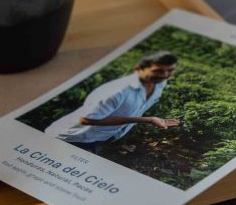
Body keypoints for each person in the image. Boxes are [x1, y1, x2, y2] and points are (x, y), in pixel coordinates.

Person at [44, 51, 181, 154]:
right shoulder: (117, 91)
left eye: (170, 71)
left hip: (99, 137)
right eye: (158, 71)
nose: (165, 75)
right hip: (73, 139)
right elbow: (86, 120)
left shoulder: (160, 82)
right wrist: (146, 120)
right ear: (138, 69)